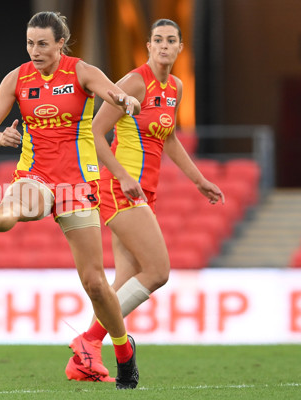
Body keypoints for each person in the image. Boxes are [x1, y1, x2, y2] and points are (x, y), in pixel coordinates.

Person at [0, 11, 145, 389]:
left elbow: (113, 91)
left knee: (95, 283)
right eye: (30, 43)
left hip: (77, 184)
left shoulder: (80, 72)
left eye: (43, 43)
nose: (35, 50)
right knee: (16, 206)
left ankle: (124, 353)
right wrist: (2, 139)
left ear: (61, 42)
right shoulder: (17, 78)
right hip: (36, 174)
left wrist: (125, 101)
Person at [67, 19, 226, 379]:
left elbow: (167, 138)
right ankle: (88, 342)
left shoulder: (176, 88)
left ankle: (82, 362)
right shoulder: (134, 82)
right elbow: (94, 132)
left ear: (180, 47)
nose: (165, 46)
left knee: (127, 275)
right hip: (120, 186)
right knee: (158, 271)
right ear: (150, 46)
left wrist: (199, 180)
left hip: (143, 191)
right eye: (158, 40)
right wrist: (122, 176)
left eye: (171, 40)